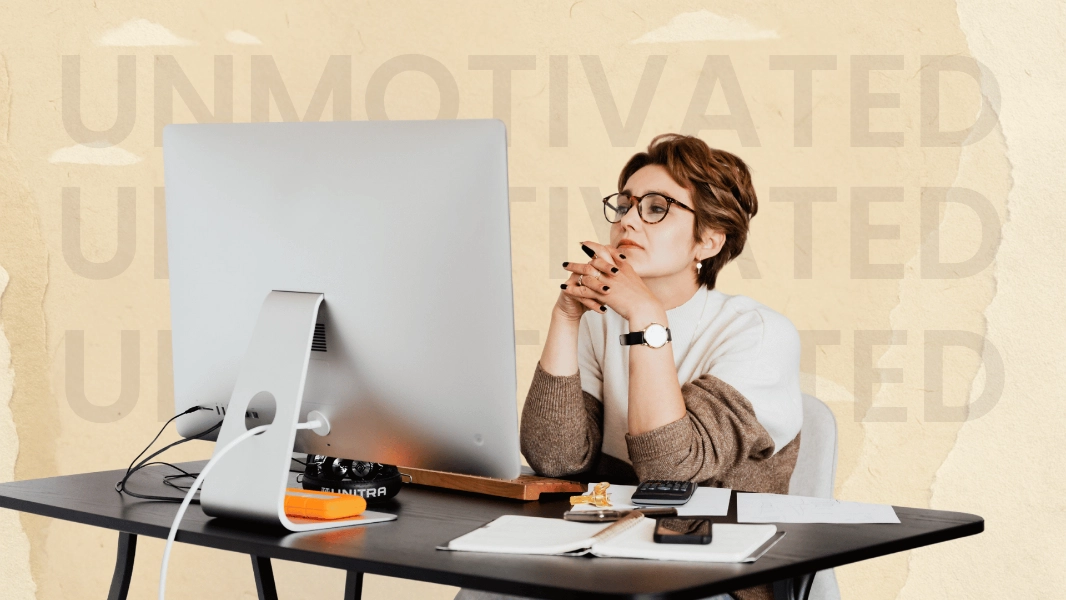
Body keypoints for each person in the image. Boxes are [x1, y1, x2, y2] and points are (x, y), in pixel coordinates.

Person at [455, 134, 803, 600]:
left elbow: (671, 470)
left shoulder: (758, 333)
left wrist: (647, 319)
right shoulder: (603, 324)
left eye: (657, 207)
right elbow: (554, 458)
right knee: (485, 593)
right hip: (599, 548)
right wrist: (566, 315)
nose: (628, 221)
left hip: (712, 570)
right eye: (625, 205)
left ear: (709, 241)